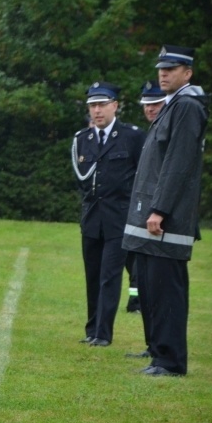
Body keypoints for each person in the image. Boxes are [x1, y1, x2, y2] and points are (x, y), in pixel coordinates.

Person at [122, 45, 209, 377]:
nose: (163, 74)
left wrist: (159, 209)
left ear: (187, 73)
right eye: (161, 68)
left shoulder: (187, 106)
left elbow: (177, 164)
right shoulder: (175, 104)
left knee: (166, 291)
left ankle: (170, 362)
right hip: (153, 215)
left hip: (166, 218)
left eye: (171, 69)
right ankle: (158, 353)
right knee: (151, 288)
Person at [71, 82, 145, 347]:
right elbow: (82, 180)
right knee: (92, 276)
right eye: (93, 105)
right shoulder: (82, 139)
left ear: (115, 106)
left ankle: (103, 334)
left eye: (102, 104)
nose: (97, 110)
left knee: (109, 276)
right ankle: (92, 329)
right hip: (92, 218)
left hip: (119, 218)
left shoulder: (132, 137)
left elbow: (143, 175)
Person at [123, 80, 168, 319]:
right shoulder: (152, 131)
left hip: (158, 210)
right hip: (141, 207)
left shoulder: (165, 133)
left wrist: (159, 208)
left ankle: (141, 302)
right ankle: (138, 300)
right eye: (147, 104)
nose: (150, 108)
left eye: (156, 103)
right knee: (136, 258)